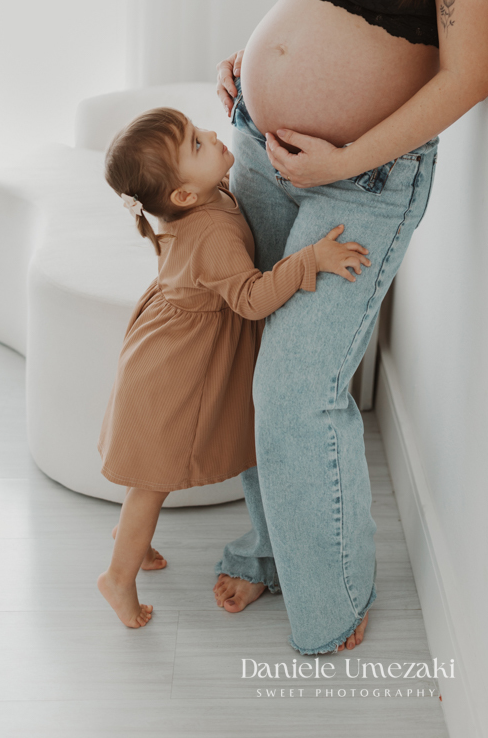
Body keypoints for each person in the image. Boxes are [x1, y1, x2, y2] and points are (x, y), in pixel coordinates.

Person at [212, 0, 488, 655]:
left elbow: (467, 76)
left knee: (297, 386)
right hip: (261, 147)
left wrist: (340, 152)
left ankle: (330, 611)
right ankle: (266, 552)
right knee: (252, 353)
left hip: (363, 182)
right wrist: (253, 71)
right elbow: (320, 2)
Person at [96, 106, 370, 628]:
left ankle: (137, 540)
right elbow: (250, 298)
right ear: (182, 195)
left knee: (151, 476)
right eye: (197, 145)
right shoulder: (211, 235)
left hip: (162, 348)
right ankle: (119, 577)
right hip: (171, 372)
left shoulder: (196, 204)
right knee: (151, 482)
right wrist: (310, 260)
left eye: (198, 132)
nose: (211, 135)